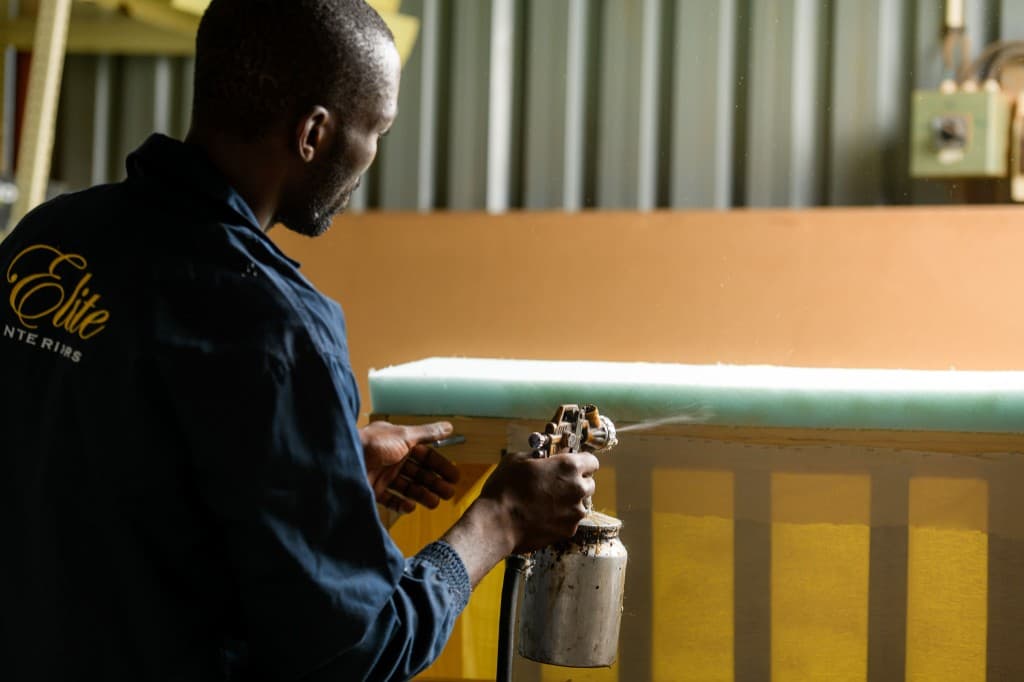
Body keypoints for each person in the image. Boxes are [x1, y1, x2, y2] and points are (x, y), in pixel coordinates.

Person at [0, 1, 599, 680]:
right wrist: (502, 519)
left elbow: (116, 461)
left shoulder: (48, 239)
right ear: (314, 132)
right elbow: (359, 649)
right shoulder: (275, 329)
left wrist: (322, 461)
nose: (371, 157)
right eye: (376, 130)